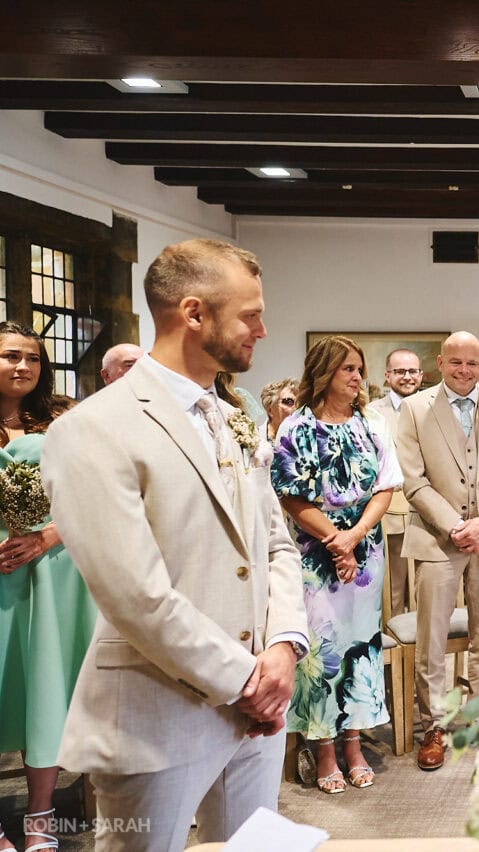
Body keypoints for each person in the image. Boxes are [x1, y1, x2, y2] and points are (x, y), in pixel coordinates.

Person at [41, 238, 309, 851]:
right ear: (193, 313)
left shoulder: (232, 415)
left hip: (258, 711)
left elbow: (276, 545)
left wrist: (286, 647)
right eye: (250, 315)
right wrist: (247, 679)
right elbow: (136, 595)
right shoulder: (93, 430)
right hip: (157, 713)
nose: (263, 330)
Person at [272, 335, 401, 794]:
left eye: (359, 369)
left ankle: (354, 742)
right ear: (324, 372)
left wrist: (353, 538)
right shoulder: (296, 427)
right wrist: (333, 540)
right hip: (315, 554)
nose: (357, 377)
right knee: (320, 651)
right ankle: (323, 746)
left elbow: (386, 487)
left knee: (362, 644)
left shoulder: (372, 423)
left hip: (365, 552)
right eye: (348, 368)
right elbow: (289, 494)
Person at [396, 331, 479, 771]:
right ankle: (433, 724)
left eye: (472, 364)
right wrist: (455, 526)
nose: (464, 371)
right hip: (437, 539)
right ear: (440, 362)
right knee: (431, 635)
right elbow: (413, 480)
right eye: (456, 363)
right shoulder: (415, 409)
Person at [0, 322, 96, 852]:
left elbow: (94, 490)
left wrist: (48, 536)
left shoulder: (61, 418)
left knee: (46, 687)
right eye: (11, 356)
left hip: (54, 566)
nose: (24, 366)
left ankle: (41, 816)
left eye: (33, 358)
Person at [368, 349, 422, 614]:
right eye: (400, 371)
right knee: (394, 585)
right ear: (387, 376)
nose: (407, 377)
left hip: (430, 510)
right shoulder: (372, 413)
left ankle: (425, 648)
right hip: (392, 509)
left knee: (426, 585)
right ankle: (396, 647)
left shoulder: (435, 407)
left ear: (421, 375)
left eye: (412, 371)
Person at [259, 377, 299, 442]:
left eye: (298, 403)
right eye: (289, 401)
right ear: (270, 410)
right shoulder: (252, 439)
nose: (296, 408)